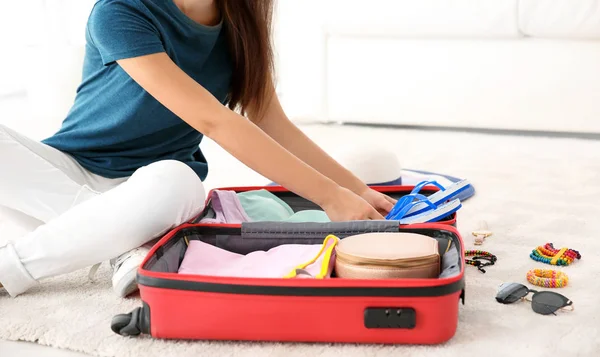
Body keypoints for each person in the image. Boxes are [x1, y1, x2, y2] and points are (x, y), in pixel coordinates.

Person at [0, 0, 396, 298]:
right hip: (64, 176)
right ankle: (119, 245)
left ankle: (79, 246)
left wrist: (354, 191)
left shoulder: (240, 24)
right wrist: (329, 196)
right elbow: (214, 120)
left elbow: (271, 122)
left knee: (180, 179)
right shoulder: (119, 11)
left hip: (152, 194)